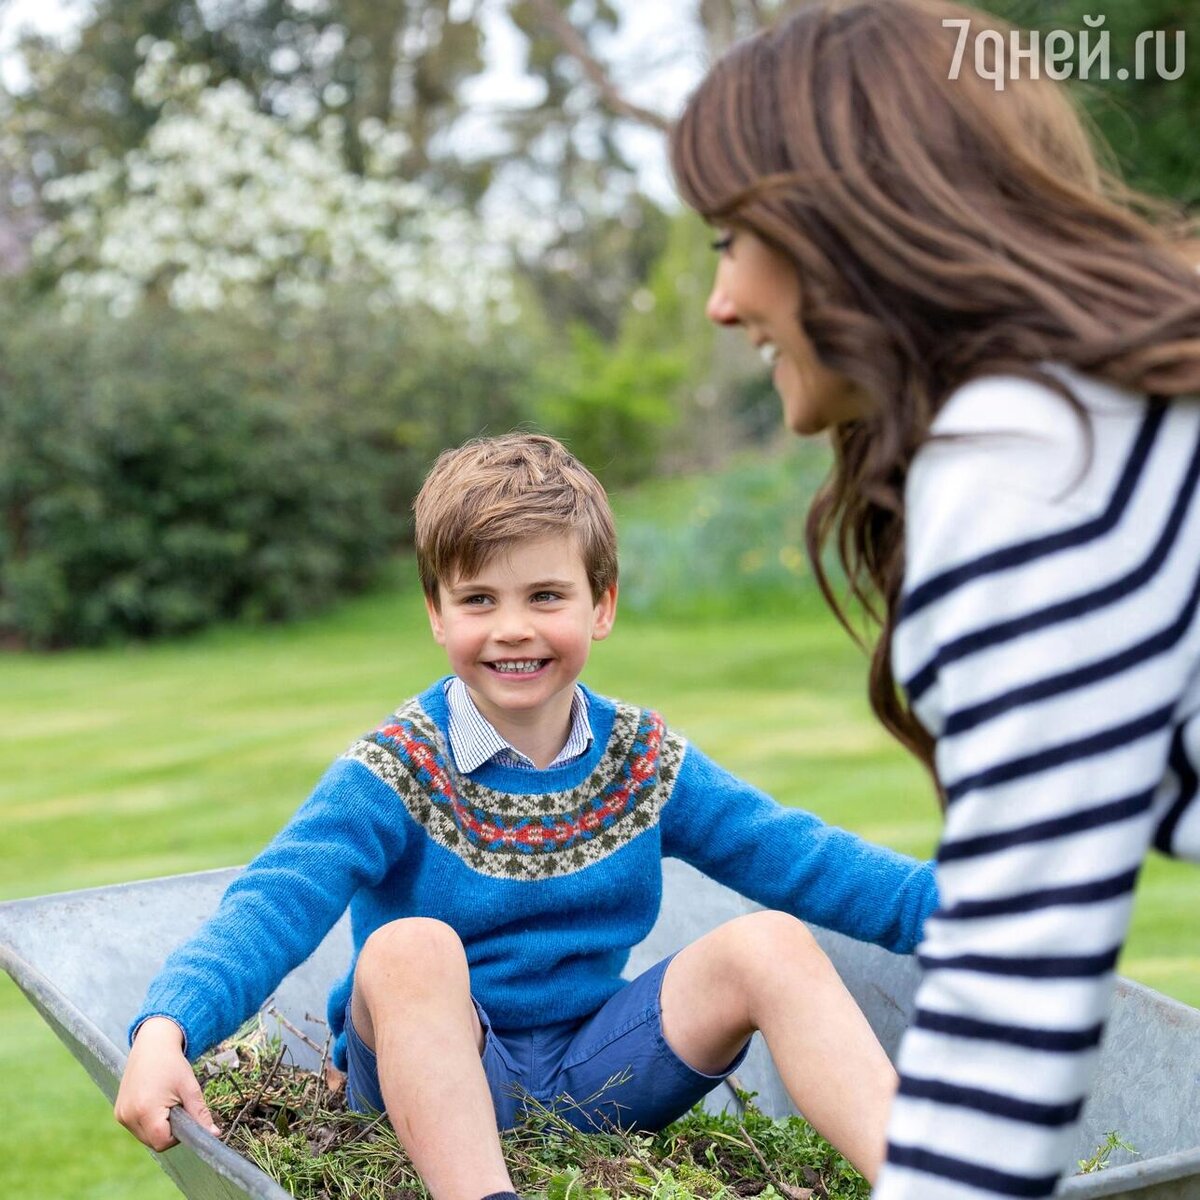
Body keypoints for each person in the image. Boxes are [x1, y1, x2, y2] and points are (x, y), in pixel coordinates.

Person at [670, 1, 1200, 1198]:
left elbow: (1009, 1034)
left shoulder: (1027, 468)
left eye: (730, 240)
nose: (722, 301)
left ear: (844, 228)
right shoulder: (1103, 413)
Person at [114, 432, 938, 1200]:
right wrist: (168, 1026)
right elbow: (277, 896)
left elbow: (799, 856)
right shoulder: (397, 766)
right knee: (409, 947)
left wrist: (987, 916)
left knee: (771, 942)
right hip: (428, 1081)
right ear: (436, 613)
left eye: (546, 595)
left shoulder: (642, 758)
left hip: (599, 1070)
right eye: (478, 599)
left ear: (601, 605)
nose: (513, 629)